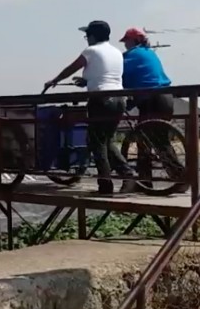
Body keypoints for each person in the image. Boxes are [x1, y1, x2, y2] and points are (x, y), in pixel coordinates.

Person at [44, 20, 135, 194]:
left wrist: (54, 80)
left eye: (87, 36)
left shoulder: (91, 50)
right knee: (106, 140)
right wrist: (87, 81)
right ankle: (128, 173)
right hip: (119, 99)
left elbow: (72, 67)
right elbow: (106, 75)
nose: (86, 39)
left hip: (101, 99)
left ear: (93, 36)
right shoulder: (116, 52)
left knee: (96, 143)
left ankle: (105, 185)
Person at [119, 27, 183, 179]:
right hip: (164, 97)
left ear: (134, 40)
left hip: (152, 99)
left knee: (148, 140)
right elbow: (142, 79)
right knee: (158, 141)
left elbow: (113, 70)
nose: (125, 44)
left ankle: (175, 176)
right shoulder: (148, 52)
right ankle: (172, 177)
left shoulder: (133, 54)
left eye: (126, 41)